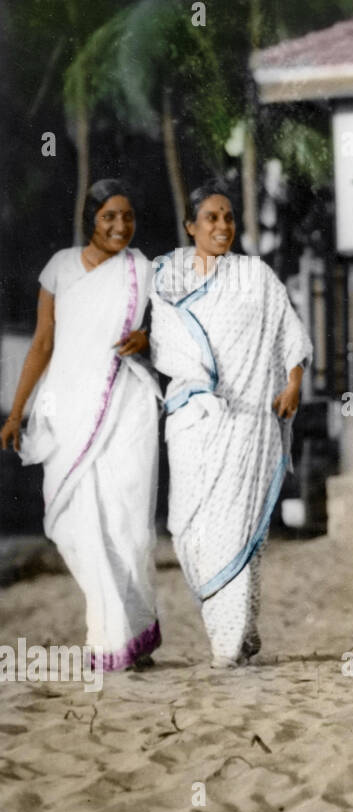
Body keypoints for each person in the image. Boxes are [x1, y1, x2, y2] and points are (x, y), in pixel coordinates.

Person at [150, 181, 311, 669]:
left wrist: (293, 383)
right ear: (191, 227)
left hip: (251, 422)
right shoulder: (169, 278)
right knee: (188, 527)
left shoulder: (256, 276)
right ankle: (240, 628)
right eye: (211, 218)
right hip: (195, 419)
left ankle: (229, 640)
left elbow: (290, 334)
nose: (222, 227)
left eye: (228, 218)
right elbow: (161, 338)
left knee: (239, 527)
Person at [1, 179, 161, 671]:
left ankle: (122, 637)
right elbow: (43, 345)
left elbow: (170, 333)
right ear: (91, 217)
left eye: (128, 216)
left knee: (128, 521)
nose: (120, 226)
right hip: (69, 407)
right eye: (109, 216)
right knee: (73, 521)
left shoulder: (143, 270)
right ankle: (116, 628)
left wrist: (147, 338)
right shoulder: (61, 268)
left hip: (128, 404)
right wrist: (16, 410)